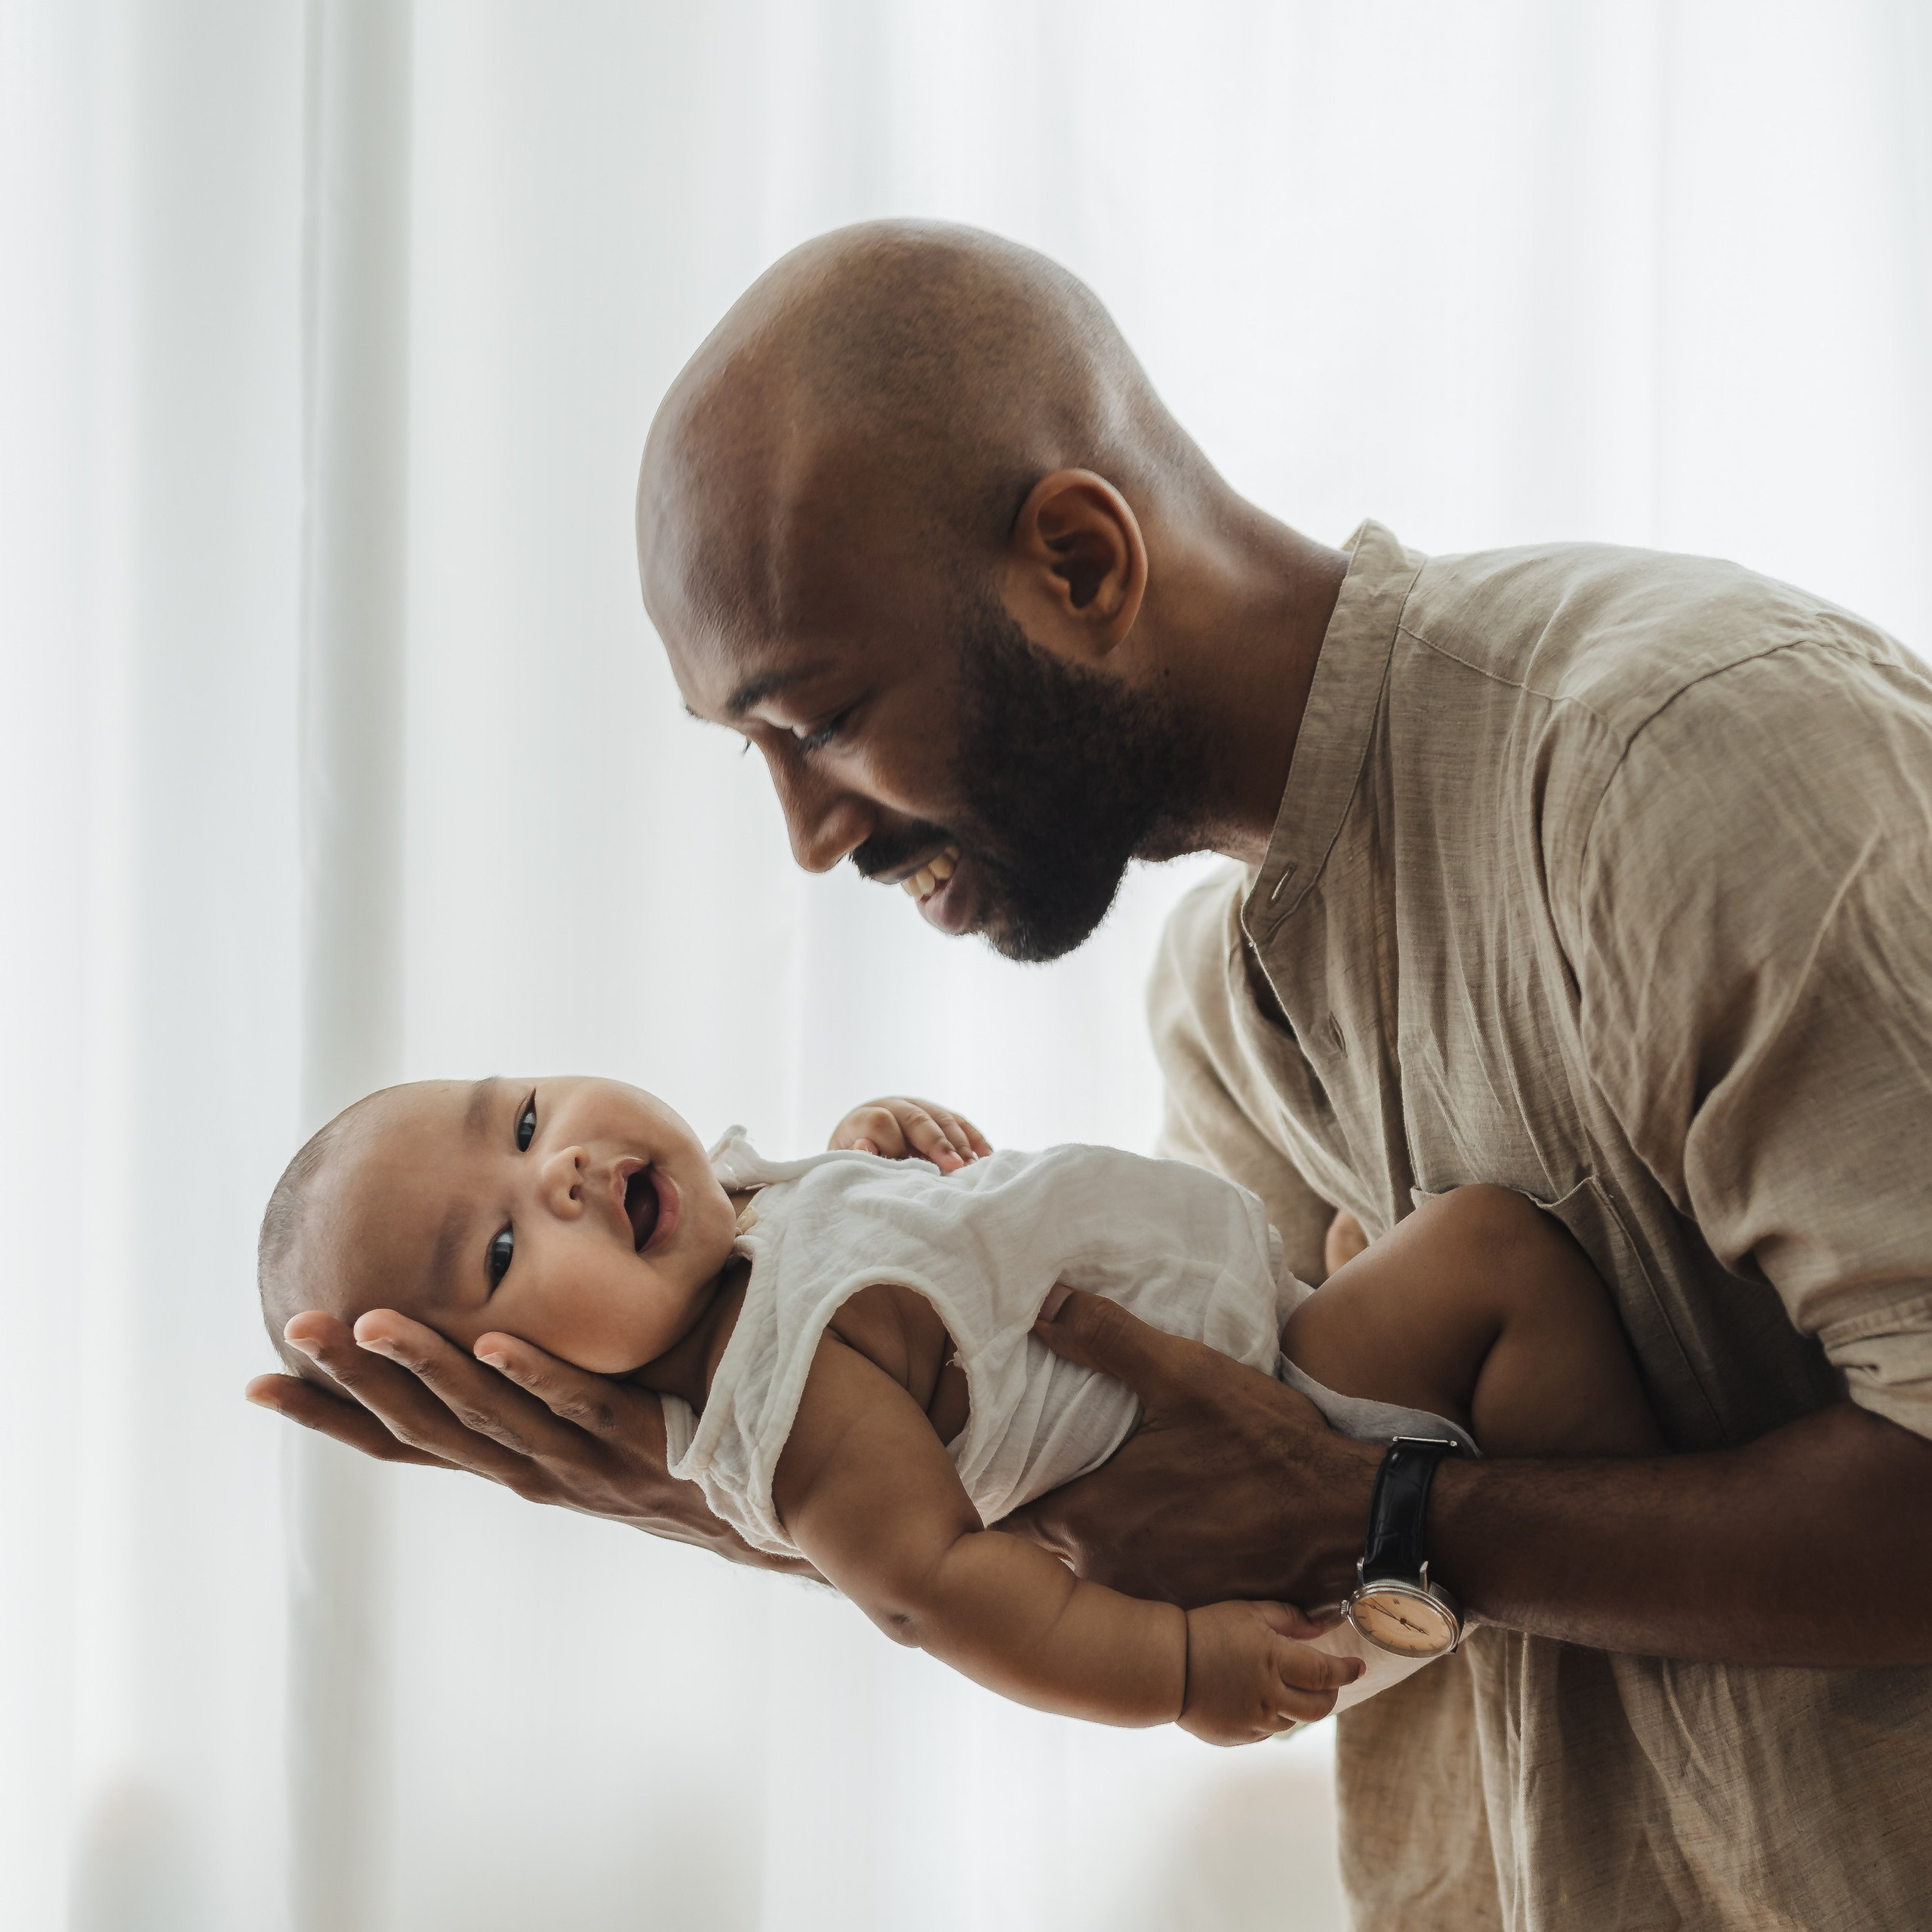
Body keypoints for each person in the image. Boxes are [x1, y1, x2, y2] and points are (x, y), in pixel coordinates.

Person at [249, 222, 1932, 1926]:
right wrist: (738, 1462)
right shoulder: (1220, 1009)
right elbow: (1249, 1563)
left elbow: (1358, 1513)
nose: (810, 830)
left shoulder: (1676, 771)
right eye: (755, 752)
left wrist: (1383, 1504)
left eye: (816, 718)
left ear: (1078, 561)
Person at [257, 1076, 1658, 1742]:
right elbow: (944, 1592)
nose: (554, 1175)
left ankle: (1461, 1427)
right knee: (1490, 1252)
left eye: (517, 1122)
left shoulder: (733, 1224)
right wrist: (1183, 1672)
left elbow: (883, 1239)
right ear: (528, 1381)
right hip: (1284, 1464)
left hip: (1270, 1331)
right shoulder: (791, 1404)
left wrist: (871, 1145)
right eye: (500, 1254)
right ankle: (1626, 1544)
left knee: (1382, 1231)